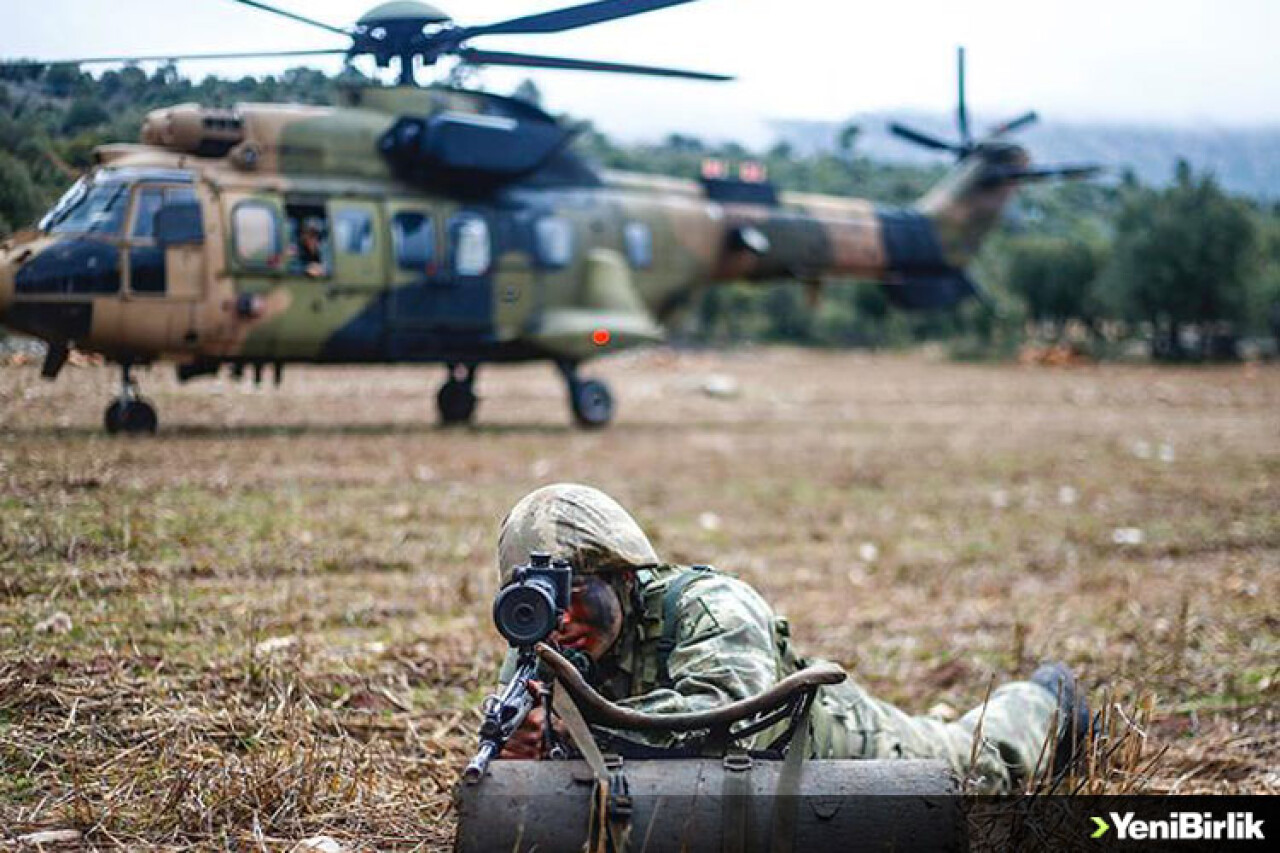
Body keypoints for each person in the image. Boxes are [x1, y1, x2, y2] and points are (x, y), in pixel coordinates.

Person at [495, 483, 1091, 794]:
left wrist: (572, 735)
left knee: (968, 768)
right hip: (732, 785)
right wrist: (517, 762)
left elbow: (716, 716)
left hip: (825, 744)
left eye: (576, 593)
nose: (561, 619)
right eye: (541, 601)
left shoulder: (712, 605)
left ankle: (1046, 704)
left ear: (624, 577)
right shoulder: (539, 648)